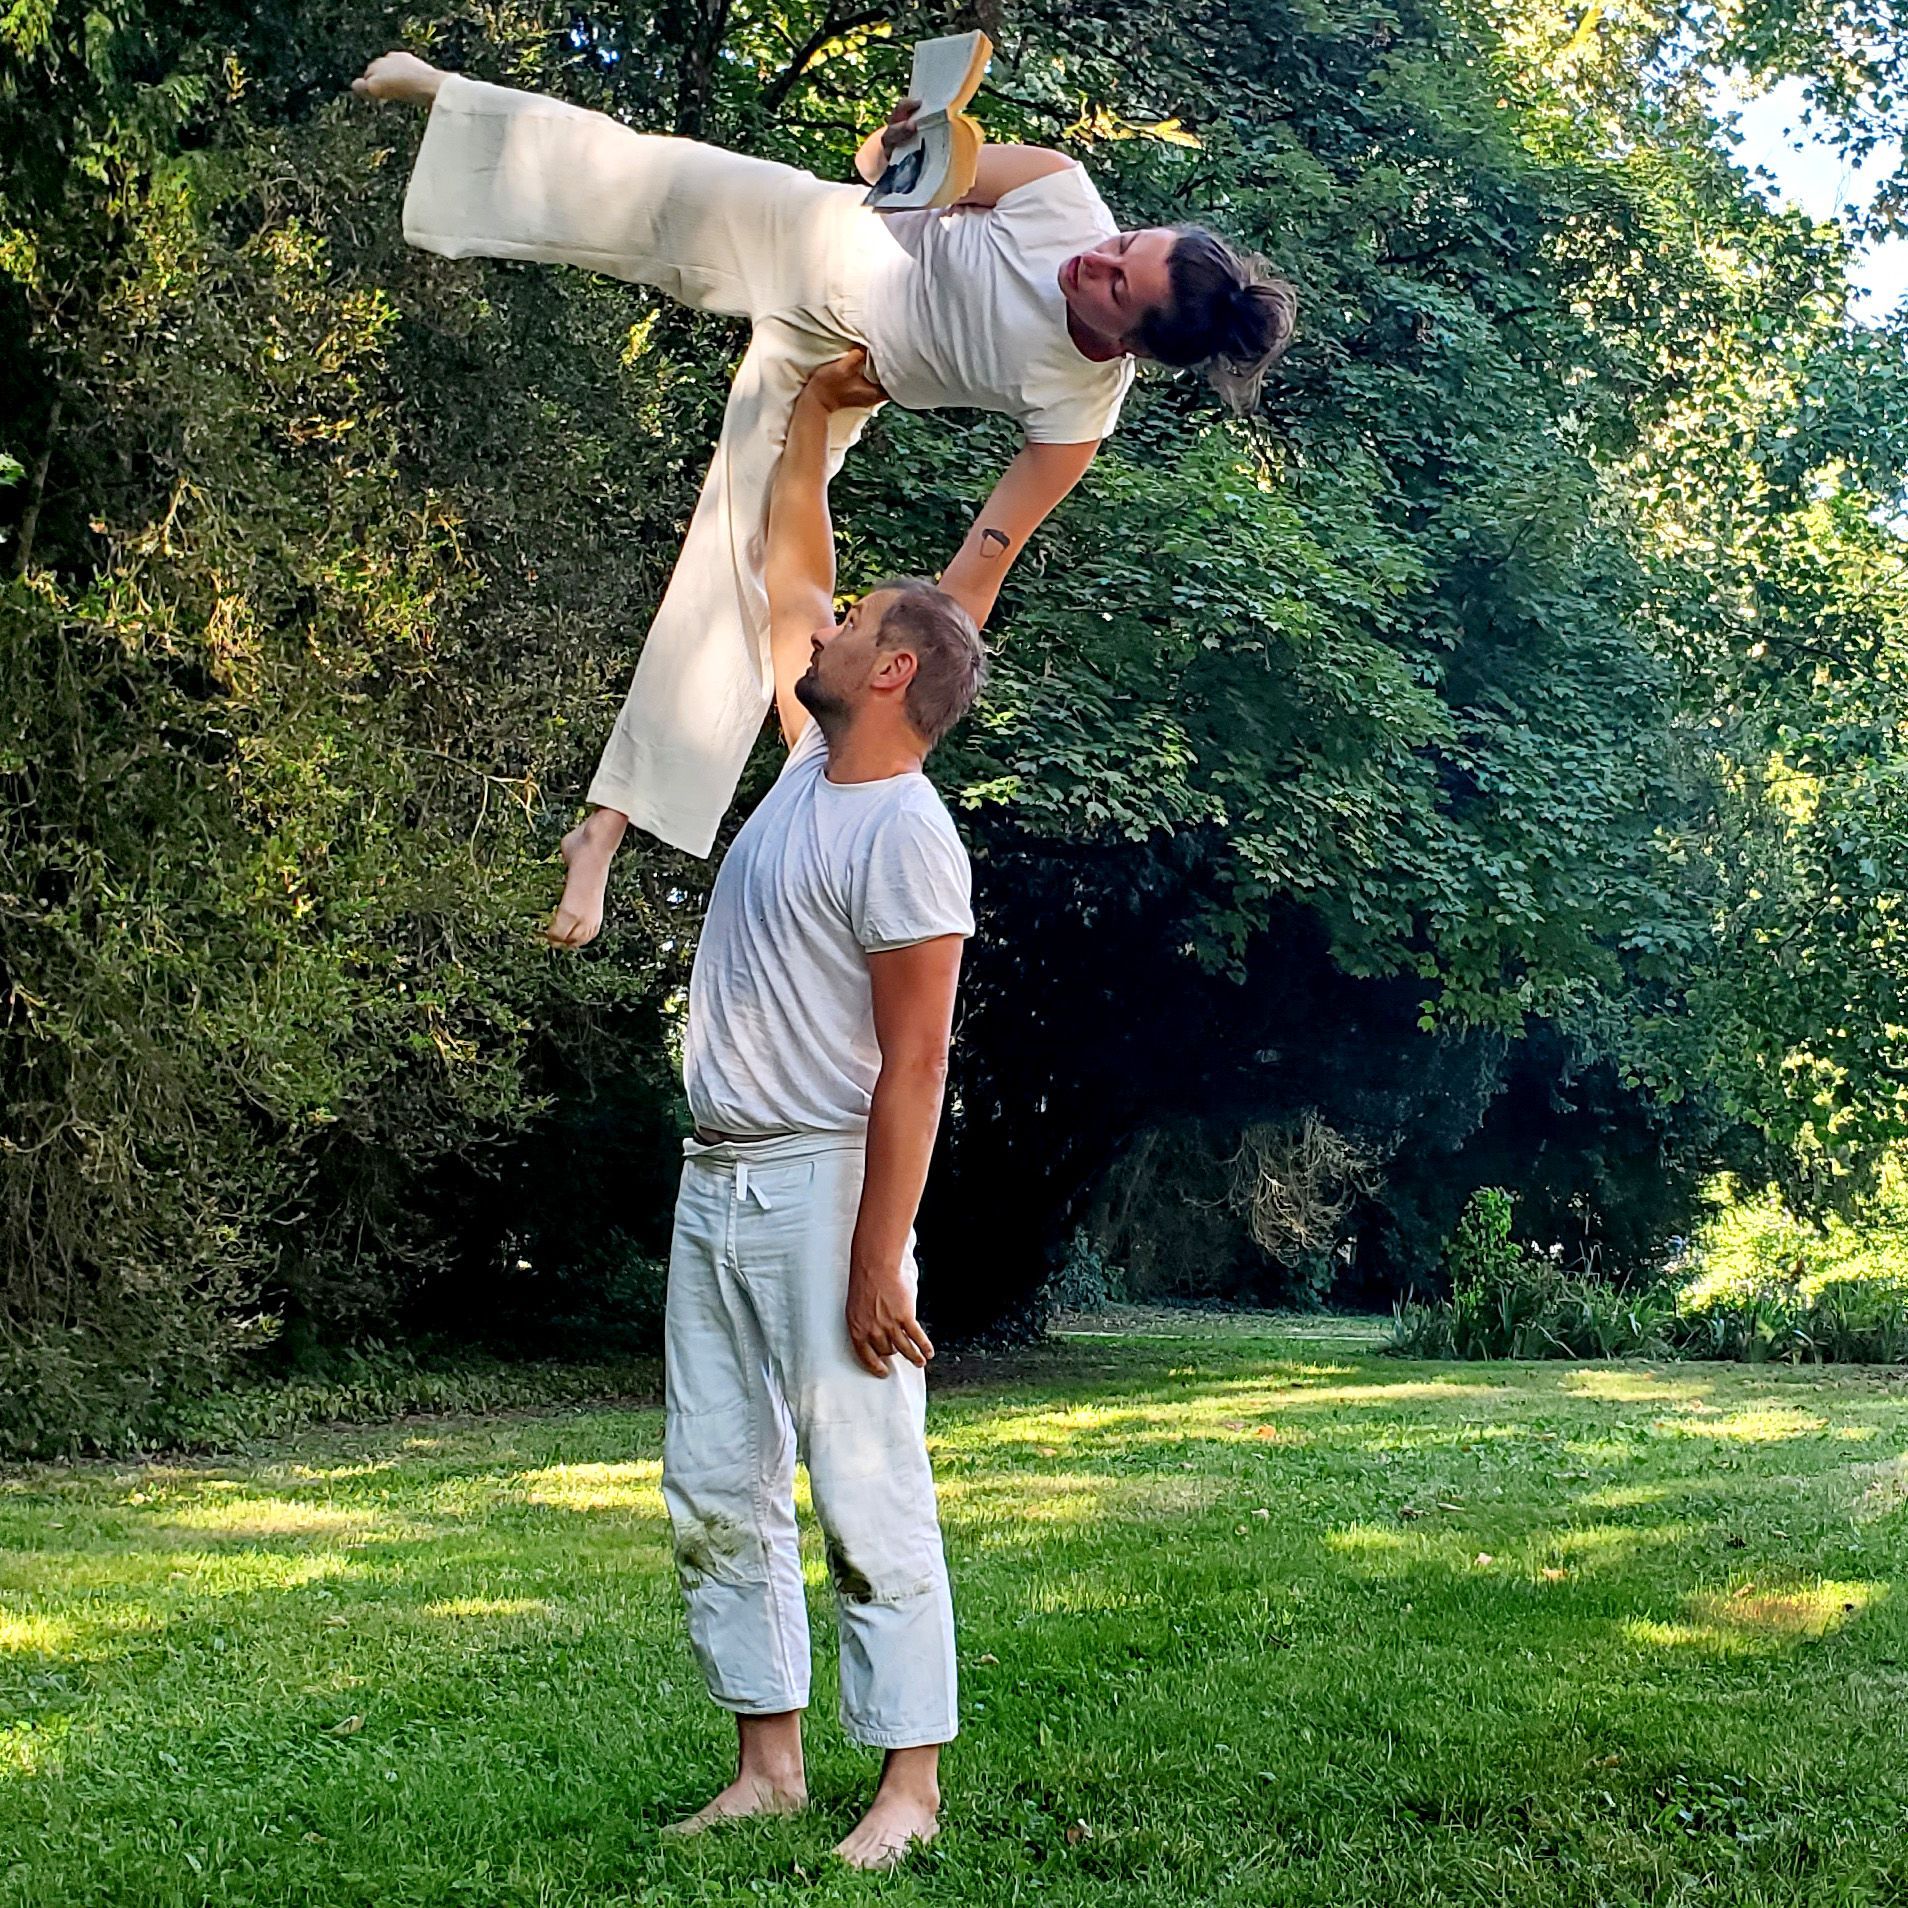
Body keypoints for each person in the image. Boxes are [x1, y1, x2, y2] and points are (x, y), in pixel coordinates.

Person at [352, 52, 1297, 938]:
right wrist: (904, 139)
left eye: (1116, 285)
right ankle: (449, 98)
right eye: (1122, 244)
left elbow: (976, 576)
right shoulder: (1060, 192)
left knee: (740, 570)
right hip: (808, 228)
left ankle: (606, 825)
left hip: (831, 372)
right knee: (642, 176)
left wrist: (890, 709)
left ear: (1129, 345)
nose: (1096, 260)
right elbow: (881, 170)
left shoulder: (1079, 411)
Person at [648, 346, 982, 1869]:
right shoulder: (804, 771)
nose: (830, 629)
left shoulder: (907, 836)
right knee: (718, 1480)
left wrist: (876, 1256)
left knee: (863, 1479)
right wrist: (806, 417)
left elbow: (917, 1065)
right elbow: (794, 565)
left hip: (825, 1185)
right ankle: (768, 1767)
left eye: (856, 628)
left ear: (894, 670)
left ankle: (907, 1787)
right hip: (716, 1178)